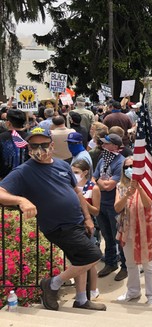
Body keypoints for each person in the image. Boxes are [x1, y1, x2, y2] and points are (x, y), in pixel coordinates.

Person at [0, 127, 106, 311]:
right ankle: (52, 284)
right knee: (93, 255)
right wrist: (21, 200)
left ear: (52, 145)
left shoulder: (62, 165)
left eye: (44, 144)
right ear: (28, 147)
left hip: (77, 222)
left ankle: (81, 299)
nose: (39, 148)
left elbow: (76, 192)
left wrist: (88, 218)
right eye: (34, 145)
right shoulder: (24, 171)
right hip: (59, 227)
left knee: (79, 260)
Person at [115, 156, 152, 305]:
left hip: (146, 230)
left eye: (132, 166)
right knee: (131, 263)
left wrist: (138, 187)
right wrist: (127, 194)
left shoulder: (148, 185)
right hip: (127, 229)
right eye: (126, 167)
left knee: (148, 264)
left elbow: (148, 204)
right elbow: (117, 208)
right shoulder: (120, 186)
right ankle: (133, 291)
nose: (129, 169)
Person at [93, 133, 127, 281]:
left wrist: (100, 182)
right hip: (101, 203)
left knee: (118, 237)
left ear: (114, 145)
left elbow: (110, 186)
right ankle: (111, 262)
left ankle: (125, 266)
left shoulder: (121, 162)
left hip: (114, 205)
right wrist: (101, 182)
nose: (103, 145)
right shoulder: (102, 159)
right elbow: (94, 178)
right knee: (107, 235)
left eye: (106, 143)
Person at [72, 159, 101, 300]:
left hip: (88, 227)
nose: (74, 175)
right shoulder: (70, 186)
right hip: (74, 225)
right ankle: (81, 291)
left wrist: (83, 202)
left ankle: (93, 289)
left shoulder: (93, 188)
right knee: (76, 261)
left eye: (76, 172)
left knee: (90, 262)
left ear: (85, 172)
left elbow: (96, 211)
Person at [0, 108, 30, 180]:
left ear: (8, 123)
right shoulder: (31, 138)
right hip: (27, 177)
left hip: (5, 179)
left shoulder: (1, 137)